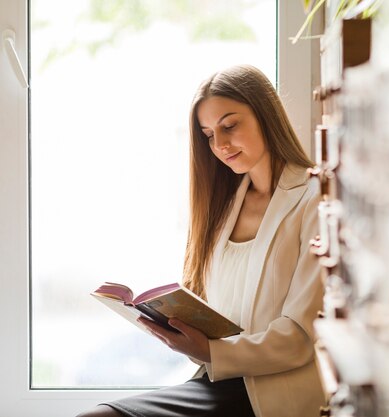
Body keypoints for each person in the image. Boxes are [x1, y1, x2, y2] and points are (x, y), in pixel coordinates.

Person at [77, 64, 325, 417]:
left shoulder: (314, 199)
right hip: (219, 381)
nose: (220, 144)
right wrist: (175, 328)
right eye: (209, 134)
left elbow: (299, 339)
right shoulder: (224, 207)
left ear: (266, 114)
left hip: (274, 392)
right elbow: (219, 319)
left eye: (229, 125)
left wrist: (211, 351)